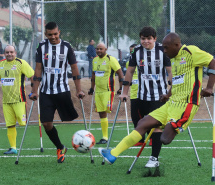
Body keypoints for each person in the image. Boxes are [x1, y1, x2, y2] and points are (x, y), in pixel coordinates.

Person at [98, 32, 215, 166]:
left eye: (166, 47)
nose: (164, 51)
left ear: (177, 45)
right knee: (143, 123)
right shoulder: (174, 58)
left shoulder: (191, 51)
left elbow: (213, 62)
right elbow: (177, 81)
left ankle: (162, 145)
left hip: (186, 104)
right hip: (171, 103)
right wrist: (168, 95)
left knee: (165, 138)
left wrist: (210, 87)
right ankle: (113, 154)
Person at [30, 22, 85, 163]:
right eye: (50, 34)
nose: (53, 37)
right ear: (45, 34)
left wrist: (79, 90)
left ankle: (83, 140)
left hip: (62, 91)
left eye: (55, 34)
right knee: (46, 123)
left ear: (59, 32)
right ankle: (60, 147)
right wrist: (34, 91)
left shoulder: (67, 47)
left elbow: (74, 69)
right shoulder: (42, 47)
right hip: (46, 92)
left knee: (71, 118)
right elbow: (37, 69)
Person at [123, 27, 172, 168]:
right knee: (141, 125)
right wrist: (125, 92)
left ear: (155, 39)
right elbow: (130, 72)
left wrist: (172, 89)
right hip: (142, 96)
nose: (146, 42)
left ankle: (154, 158)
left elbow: (170, 72)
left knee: (157, 126)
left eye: (149, 39)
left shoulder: (163, 51)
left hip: (160, 96)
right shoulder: (136, 51)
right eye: (143, 39)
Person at [0, 45, 34, 154]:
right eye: (7, 52)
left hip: (19, 99)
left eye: (11, 52)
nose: (9, 54)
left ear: (15, 52)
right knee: (10, 124)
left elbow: (32, 75)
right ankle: (13, 148)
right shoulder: (1, 64)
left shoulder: (21, 63)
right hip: (6, 101)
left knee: (23, 123)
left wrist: (34, 91)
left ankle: (31, 142)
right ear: (4, 53)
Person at [88, 43, 124, 144]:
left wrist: (121, 87)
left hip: (108, 90)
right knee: (101, 113)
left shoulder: (111, 59)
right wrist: (92, 88)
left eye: (101, 49)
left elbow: (120, 73)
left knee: (104, 111)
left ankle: (105, 137)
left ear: (106, 49)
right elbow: (93, 75)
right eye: (97, 49)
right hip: (98, 91)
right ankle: (105, 137)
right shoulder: (95, 60)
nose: (99, 50)